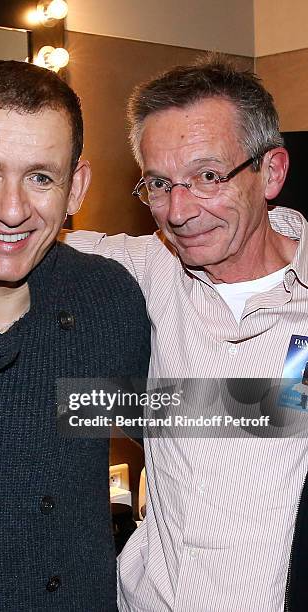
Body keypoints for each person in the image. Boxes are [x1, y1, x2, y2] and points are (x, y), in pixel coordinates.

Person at [0, 60, 150, 611]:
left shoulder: (105, 300)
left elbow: (170, 421)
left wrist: (287, 406)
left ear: (76, 187)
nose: (11, 210)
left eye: (41, 177)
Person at [65, 55, 308, 611]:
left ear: (270, 172)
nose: (179, 210)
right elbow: (10, 237)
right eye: (159, 183)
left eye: (207, 176)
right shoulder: (143, 269)